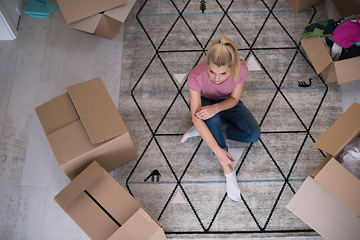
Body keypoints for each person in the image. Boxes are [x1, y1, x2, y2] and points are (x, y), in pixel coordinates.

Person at [181, 36, 261, 201]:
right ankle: (229, 173)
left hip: (225, 102)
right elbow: (196, 117)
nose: (216, 78)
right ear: (207, 64)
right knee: (210, 122)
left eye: (223, 73)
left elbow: (234, 100)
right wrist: (219, 151)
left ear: (231, 67)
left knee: (253, 134)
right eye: (212, 72)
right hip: (204, 103)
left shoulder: (242, 69)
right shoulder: (196, 76)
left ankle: (212, 130)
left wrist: (215, 108)